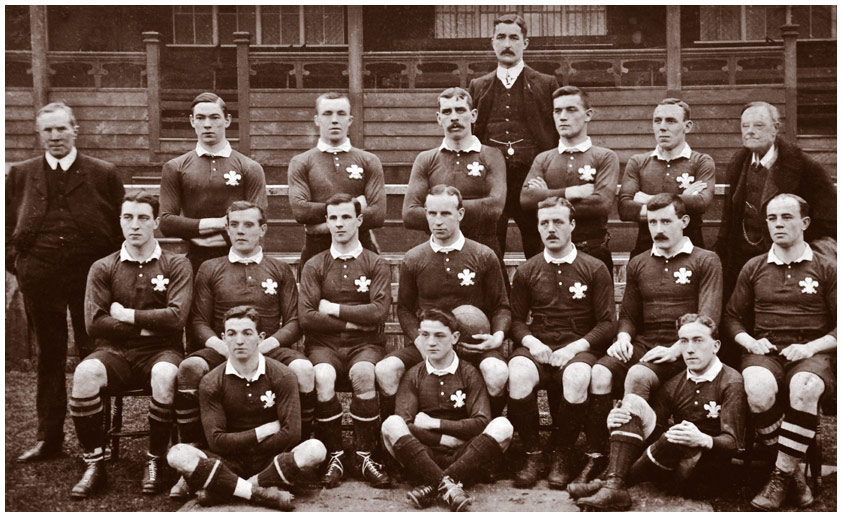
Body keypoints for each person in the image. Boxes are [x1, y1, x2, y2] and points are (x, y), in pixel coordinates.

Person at [170, 201, 314, 499]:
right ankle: (197, 454)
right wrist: (224, 346)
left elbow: (294, 321)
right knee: (190, 368)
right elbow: (198, 322)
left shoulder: (279, 268)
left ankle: (294, 451)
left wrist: (264, 345)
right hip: (224, 347)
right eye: (234, 224)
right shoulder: (210, 268)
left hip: (268, 346)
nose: (240, 230)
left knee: (303, 369)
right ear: (226, 228)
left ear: (263, 230)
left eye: (248, 224)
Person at [6, 101, 124, 463]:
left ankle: (97, 438)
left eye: (61, 128)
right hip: (40, 278)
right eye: (48, 130)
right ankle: (49, 438)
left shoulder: (103, 173)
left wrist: (108, 274)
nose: (55, 136)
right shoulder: (21, 174)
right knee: (49, 356)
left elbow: (120, 228)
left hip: (90, 279)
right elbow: (6, 227)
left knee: (94, 355)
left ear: (75, 130)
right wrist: (19, 264)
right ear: (39, 134)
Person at [68, 192, 193, 498]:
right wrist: (147, 327)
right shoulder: (103, 267)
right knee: (85, 373)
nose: (134, 225)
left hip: (162, 351)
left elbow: (176, 318)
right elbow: (94, 323)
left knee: (165, 374)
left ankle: (154, 459)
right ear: (120, 221)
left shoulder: (176, 264)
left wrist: (126, 315)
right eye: (128, 217)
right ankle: (94, 463)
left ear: (156, 222)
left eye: (142, 218)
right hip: (114, 352)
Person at [588, 194, 723, 467]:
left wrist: (677, 349)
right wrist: (623, 337)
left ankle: (625, 465)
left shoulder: (706, 260)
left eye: (666, 221)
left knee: (639, 374)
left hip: (686, 348)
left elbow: (707, 318)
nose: (658, 229)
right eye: (652, 222)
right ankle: (598, 455)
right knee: (600, 372)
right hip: (646, 345)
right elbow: (628, 314)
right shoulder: (639, 262)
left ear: (684, 221)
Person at [723, 193, 836, 511]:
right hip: (766, 349)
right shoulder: (754, 266)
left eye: (787, 217)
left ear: (805, 222)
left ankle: (779, 477)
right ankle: (793, 476)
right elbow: (731, 316)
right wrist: (750, 342)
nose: (778, 224)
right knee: (757, 387)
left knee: (805, 387)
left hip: (811, 352)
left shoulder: (827, 268)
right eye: (772, 218)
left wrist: (811, 346)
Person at [570, 314, 746, 511]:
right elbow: (651, 430)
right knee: (632, 404)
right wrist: (617, 420)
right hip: (670, 462)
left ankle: (609, 484)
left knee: (675, 436)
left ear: (716, 346)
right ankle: (613, 484)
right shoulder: (676, 382)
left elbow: (734, 444)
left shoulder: (731, 382)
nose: (689, 349)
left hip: (707, 474)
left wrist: (702, 439)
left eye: (698, 340)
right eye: (684, 341)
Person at [167, 305, 327, 511]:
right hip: (228, 460)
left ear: (260, 338)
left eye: (247, 333)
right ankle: (260, 492)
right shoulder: (211, 381)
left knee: (315, 449)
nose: (239, 341)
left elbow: (292, 434)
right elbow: (216, 441)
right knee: (177, 454)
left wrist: (243, 443)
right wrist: (264, 431)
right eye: (232, 334)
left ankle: (226, 488)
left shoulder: (283, 375)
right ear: (223, 338)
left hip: (270, 459)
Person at [376, 185, 511, 420]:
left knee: (496, 372)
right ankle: (395, 432)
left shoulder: (483, 255)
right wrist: (419, 340)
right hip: (430, 342)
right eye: (432, 213)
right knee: (386, 369)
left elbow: (501, 306)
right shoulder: (414, 258)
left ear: (460, 214)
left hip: (471, 346)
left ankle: (484, 428)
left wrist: (497, 337)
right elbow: (405, 309)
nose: (438, 221)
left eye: (446, 213)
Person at [507, 197, 615, 489]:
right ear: (537, 227)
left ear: (572, 225)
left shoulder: (594, 268)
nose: (551, 229)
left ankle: (561, 454)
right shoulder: (527, 270)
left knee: (577, 376)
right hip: (540, 344)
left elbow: (607, 323)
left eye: (558, 222)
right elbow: (515, 320)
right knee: (517, 373)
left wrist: (574, 348)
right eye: (544, 223)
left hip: (578, 346)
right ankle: (532, 454)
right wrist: (532, 343)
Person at [298, 194, 392, 488]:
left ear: (359, 220)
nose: (339, 224)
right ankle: (335, 455)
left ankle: (365, 454)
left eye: (346, 217)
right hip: (324, 346)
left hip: (366, 345)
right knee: (322, 376)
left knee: (363, 374)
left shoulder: (375, 263)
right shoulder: (315, 264)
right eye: (333, 218)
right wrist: (354, 320)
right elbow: (307, 317)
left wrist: (334, 309)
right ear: (326, 222)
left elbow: (378, 312)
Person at [381, 308, 514, 512]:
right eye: (425, 335)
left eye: (439, 335)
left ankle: (432, 484)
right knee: (391, 424)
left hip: (465, 454)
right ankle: (450, 485)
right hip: (423, 454)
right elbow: (406, 424)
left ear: (455, 337)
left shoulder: (469, 373)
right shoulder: (414, 375)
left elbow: (481, 422)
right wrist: (443, 439)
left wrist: (435, 424)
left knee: (503, 426)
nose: (431, 342)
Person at [715, 101, 836, 302]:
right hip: (743, 260)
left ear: (775, 129)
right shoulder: (738, 163)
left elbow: (830, 220)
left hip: (787, 259)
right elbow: (730, 219)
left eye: (759, 125)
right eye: (745, 126)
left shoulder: (804, 166)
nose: (750, 131)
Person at [468, 13, 560, 258]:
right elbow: (473, 133)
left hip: (532, 179)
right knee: (490, 248)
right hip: (491, 181)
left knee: (538, 246)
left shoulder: (546, 83)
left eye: (514, 38)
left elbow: (555, 133)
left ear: (525, 43)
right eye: (501, 37)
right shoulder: (479, 85)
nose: (507, 44)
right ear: (492, 42)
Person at [159, 92, 268, 273]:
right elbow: (166, 223)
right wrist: (220, 223)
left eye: (215, 117)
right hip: (195, 259)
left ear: (227, 120)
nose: (207, 124)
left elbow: (257, 222)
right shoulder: (175, 167)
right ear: (192, 121)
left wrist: (197, 233)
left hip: (239, 259)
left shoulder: (249, 167)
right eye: (200, 118)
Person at [520, 86, 619, 273]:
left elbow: (601, 204)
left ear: (588, 115)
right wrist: (570, 192)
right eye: (557, 111)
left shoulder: (605, 157)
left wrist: (546, 198)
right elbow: (526, 200)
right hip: (550, 253)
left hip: (593, 250)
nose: (563, 117)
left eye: (571, 110)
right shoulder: (544, 158)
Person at [402, 87, 506, 261]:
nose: (454, 117)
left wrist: (439, 212)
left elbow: (494, 209)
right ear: (439, 118)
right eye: (447, 112)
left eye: (460, 110)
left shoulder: (491, 155)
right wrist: (457, 211)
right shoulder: (426, 159)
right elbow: (410, 215)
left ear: (473, 115)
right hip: (439, 251)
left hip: (483, 252)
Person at [288, 92, 386, 268]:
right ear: (317, 119)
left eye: (341, 113)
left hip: (362, 250)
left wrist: (320, 227)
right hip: (316, 251)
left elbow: (377, 215)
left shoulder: (369, 160)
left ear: (350, 120)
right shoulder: (301, 162)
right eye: (327, 114)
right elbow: (301, 211)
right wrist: (357, 205)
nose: (334, 120)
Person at [618, 98, 715, 257]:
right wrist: (682, 199)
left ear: (687, 126)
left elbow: (701, 203)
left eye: (671, 121)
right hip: (646, 251)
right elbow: (625, 209)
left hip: (690, 253)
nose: (662, 127)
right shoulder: (638, 162)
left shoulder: (701, 161)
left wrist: (649, 200)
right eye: (657, 121)